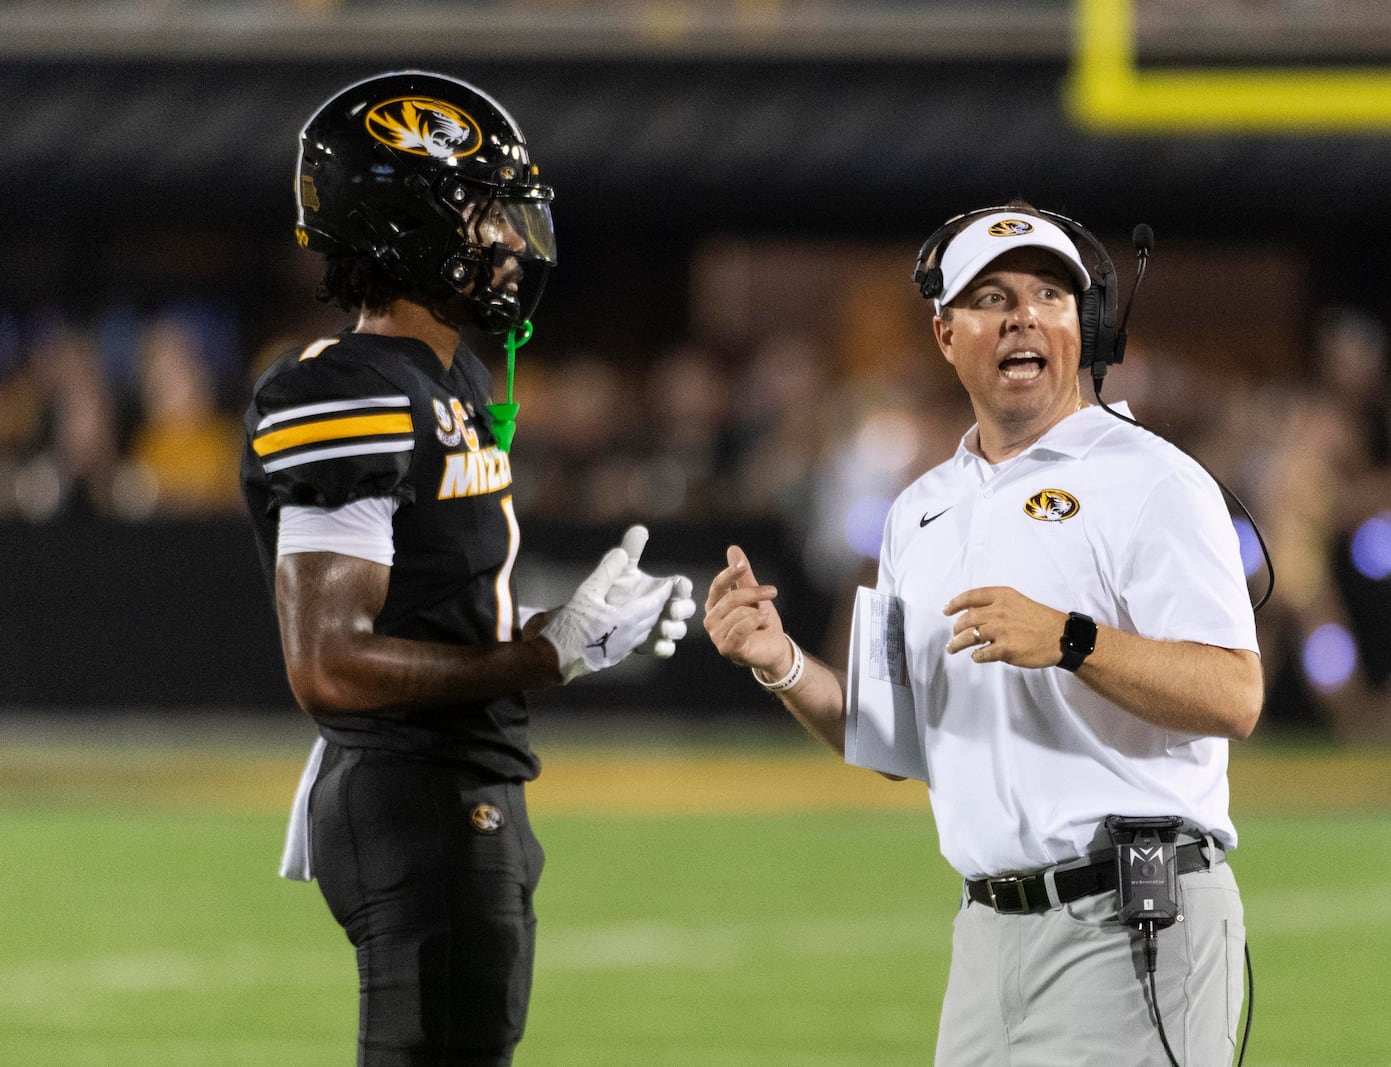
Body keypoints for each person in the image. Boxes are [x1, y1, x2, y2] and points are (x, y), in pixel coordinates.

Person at [703, 203, 1261, 1066]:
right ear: (946, 334)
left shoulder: (1155, 482)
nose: (1023, 316)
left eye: (1049, 293)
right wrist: (780, 664)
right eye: (992, 296)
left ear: (1084, 324)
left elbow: (1235, 693)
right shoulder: (919, 509)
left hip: (1134, 926)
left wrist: (1073, 639)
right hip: (985, 935)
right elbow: (891, 741)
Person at [240, 70, 694, 1066]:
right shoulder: (346, 388)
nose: (505, 239)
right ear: (406, 223)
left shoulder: (450, 376)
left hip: (462, 781)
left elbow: (429, 604)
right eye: (482, 212)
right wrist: (540, 660)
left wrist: (553, 623)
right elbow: (330, 664)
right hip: (411, 794)